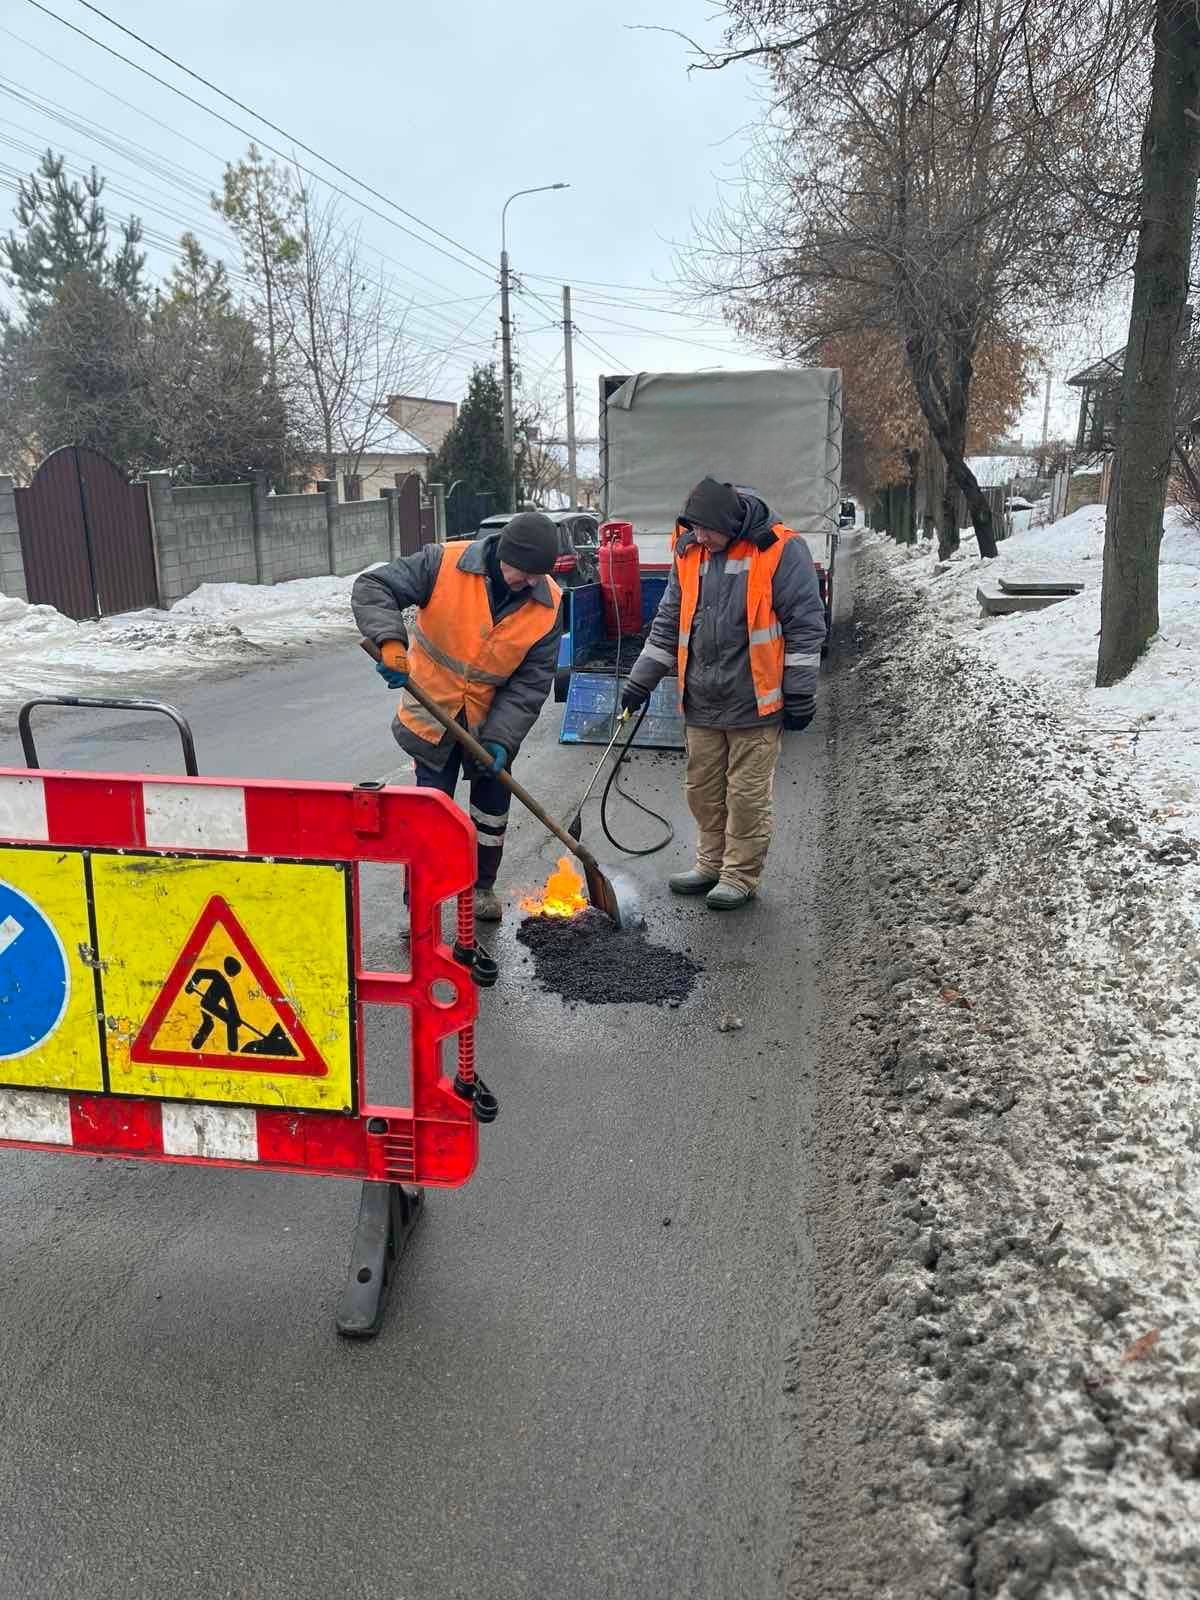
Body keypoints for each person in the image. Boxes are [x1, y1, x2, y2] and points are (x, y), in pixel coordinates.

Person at [620, 476, 825, 911]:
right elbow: (669, 621)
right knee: (702, 791)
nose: (700, 537)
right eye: (694, 528)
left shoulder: (779, 550)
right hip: (701, 702)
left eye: (707, 530)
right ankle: (710, 864)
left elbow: (806, 626)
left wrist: (801, 693)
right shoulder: (691, 551)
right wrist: (640, 680)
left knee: (746, 796)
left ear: (730, 523)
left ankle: (740, 875)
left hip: (754, 701)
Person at [352, 512, 563, 922]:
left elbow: (530, 684)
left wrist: (501, 739)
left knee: (491, 809)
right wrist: (390, 641)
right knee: (430, 811)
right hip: (432, 713)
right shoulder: (442, 563)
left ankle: (482, 887)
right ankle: (422, 897)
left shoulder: (548, 605)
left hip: (490, 720)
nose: (532, 582)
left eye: (539, 574)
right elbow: (374, 586)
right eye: (525, 572)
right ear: (503, 555)